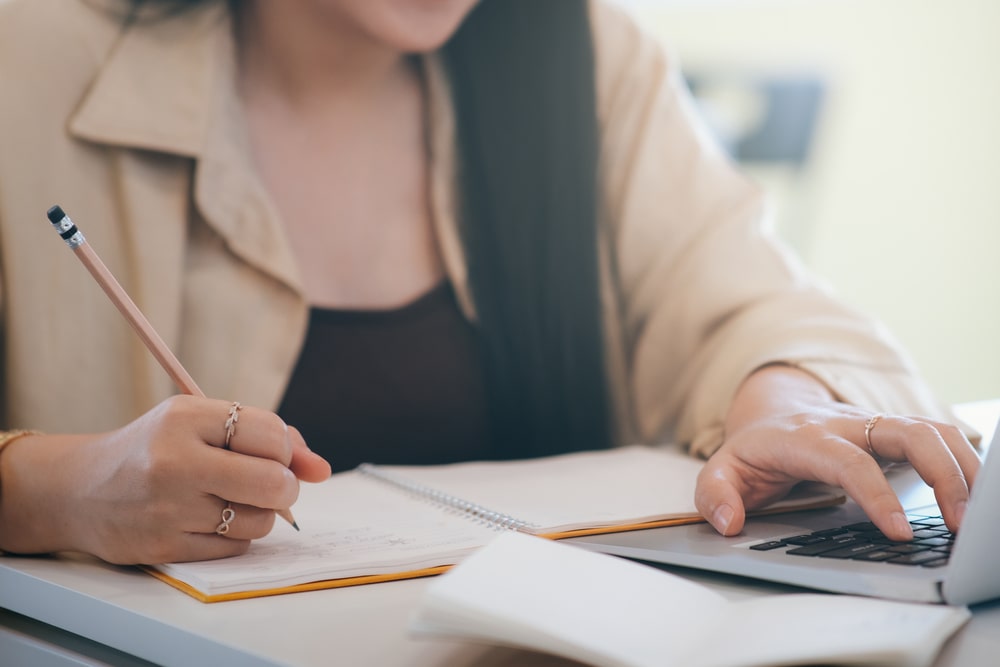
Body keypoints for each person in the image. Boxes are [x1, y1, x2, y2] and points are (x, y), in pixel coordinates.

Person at [0, 0, 980, 566]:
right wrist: (59, 489)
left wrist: (784, 404)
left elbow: (758, 300)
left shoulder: (582, 53)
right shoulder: (27, 56)